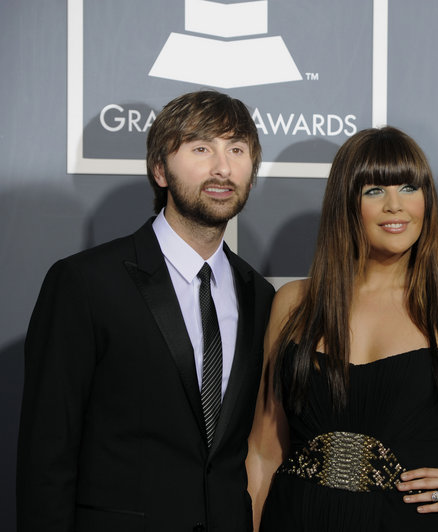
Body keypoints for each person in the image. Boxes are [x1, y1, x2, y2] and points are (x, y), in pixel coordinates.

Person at [17, 90, 275, 531]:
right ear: (160, 170)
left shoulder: (261, 296)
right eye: (201, 148)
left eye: (237, 149)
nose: (222, 167)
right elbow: (47, 453)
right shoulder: (85, 282)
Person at [246, 126, 438, 531]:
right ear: (346, 203)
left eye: (410, 188)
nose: (396, 206)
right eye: (374, 190)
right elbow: (264, 452)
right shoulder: (294, 304)